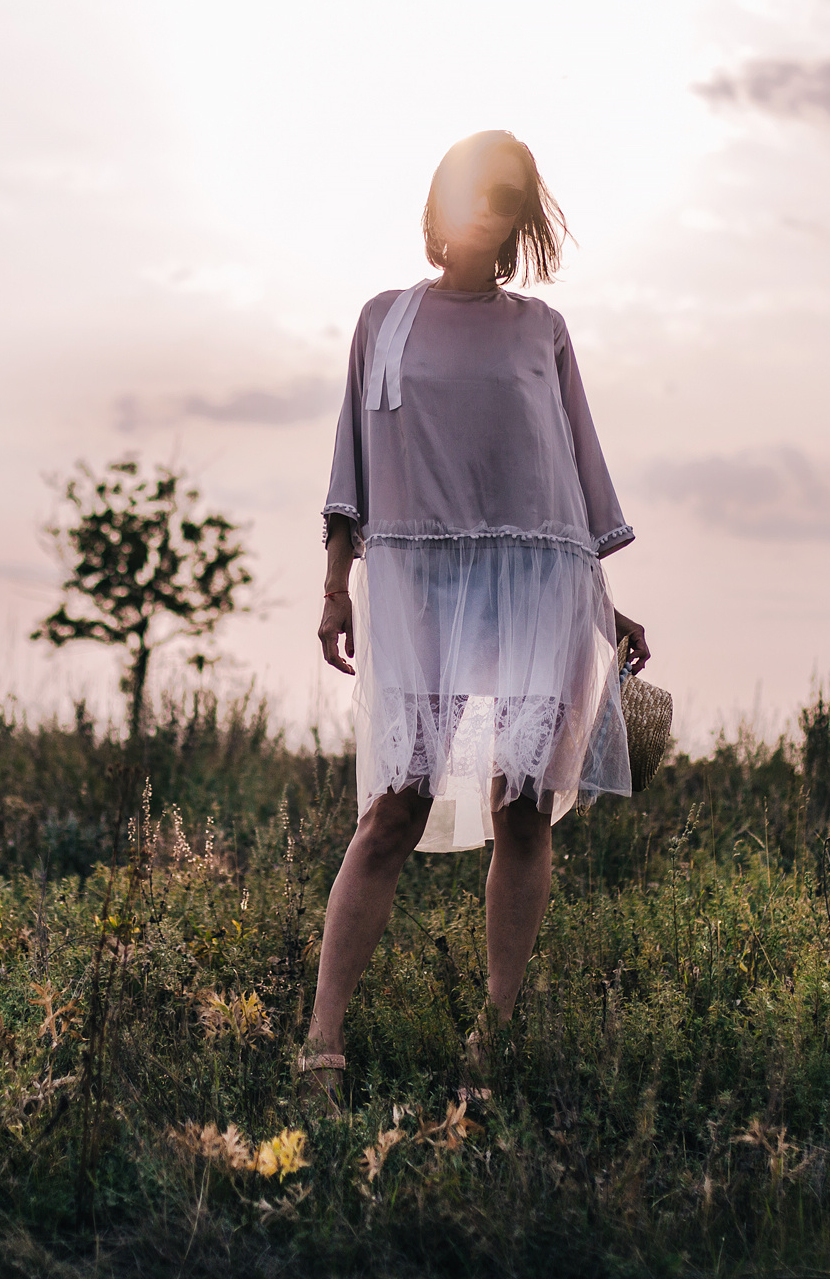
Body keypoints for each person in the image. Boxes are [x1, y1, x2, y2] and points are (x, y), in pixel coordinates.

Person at [299, 129, 650, 1100]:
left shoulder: (544, 332)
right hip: (420, 582)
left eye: (504, 197)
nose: (484, 210)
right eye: (471, 191)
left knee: (523, 810)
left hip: (539, 583)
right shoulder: (385, 320)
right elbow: (351, 467)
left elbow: (567, 485)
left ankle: (492, 1036)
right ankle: (322, 1038)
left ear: (518, 218)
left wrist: (607, 611)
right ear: (440, 201)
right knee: (393, 809)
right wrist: (334, 585)